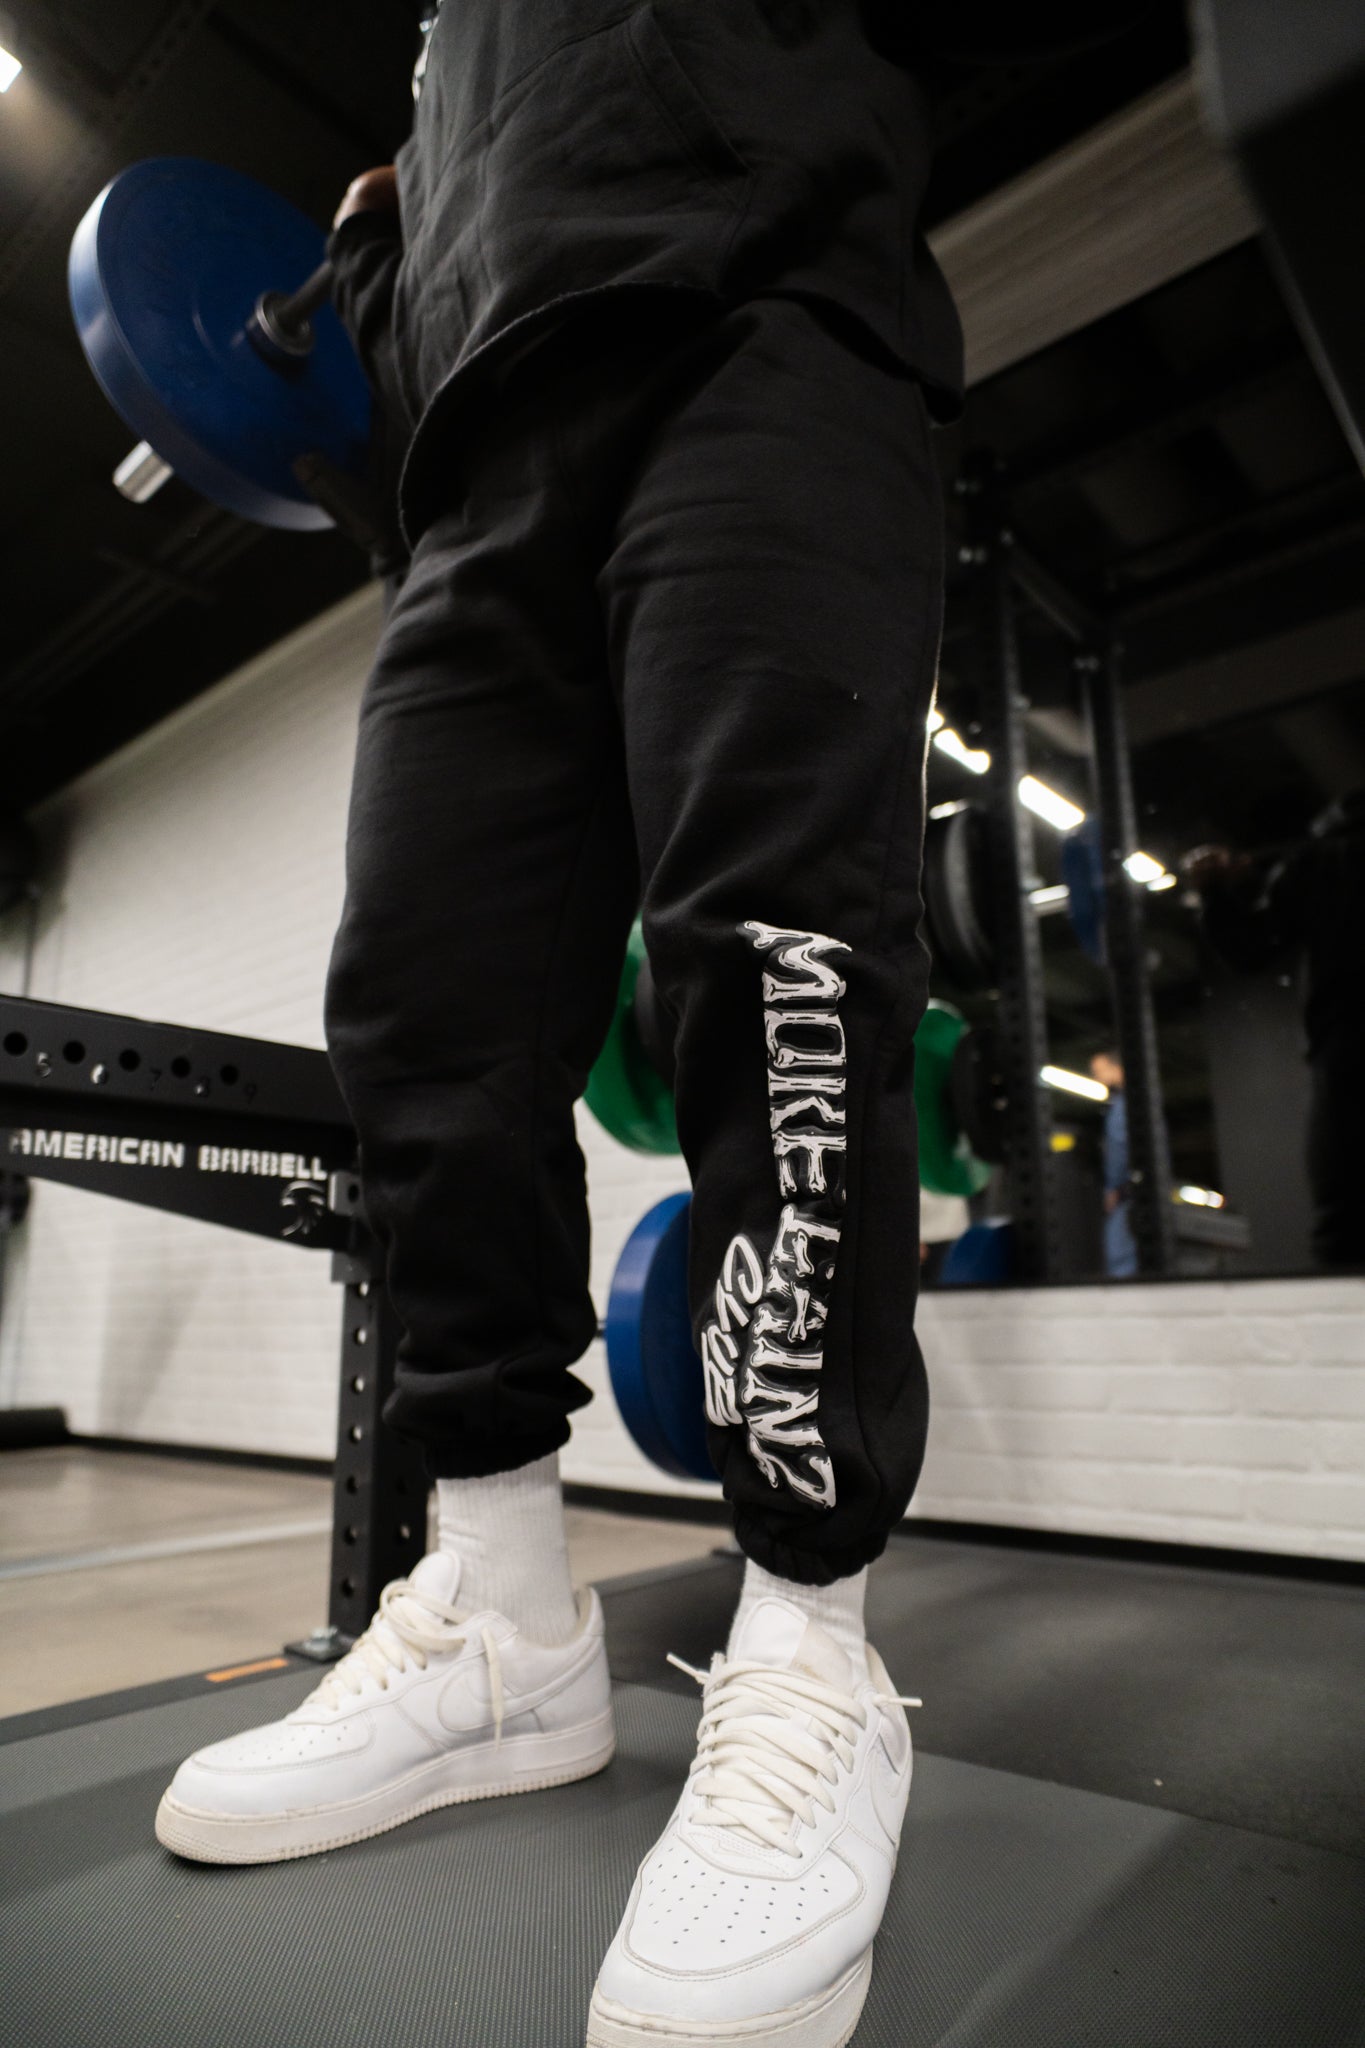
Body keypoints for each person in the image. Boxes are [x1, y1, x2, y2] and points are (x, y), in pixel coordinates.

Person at [155, 6, 1153, 2043]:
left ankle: (807, 1643)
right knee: (422, 999)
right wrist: (402, 227)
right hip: (474, 459)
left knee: (776, 957)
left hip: (762, 315)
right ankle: (500, 1615)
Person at [1187, 791, 1365, 1269]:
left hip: (1348, 1054)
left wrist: (1215, 891)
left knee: (1344, 1223)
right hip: (1345, 1052)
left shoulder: (1322, 860)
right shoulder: (1319, 861)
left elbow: (1251, 947)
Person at [1090, 1049, 1138, 1279]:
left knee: (1120, 1261)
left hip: (1125, 1195)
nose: (1097, 1078)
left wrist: (1112, 1188)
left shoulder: (1120, 1109)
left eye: (1099, 1071)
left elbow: (1118, 1148)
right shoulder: (1137, 1104)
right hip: (1136, 1193)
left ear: (1116, 1069)